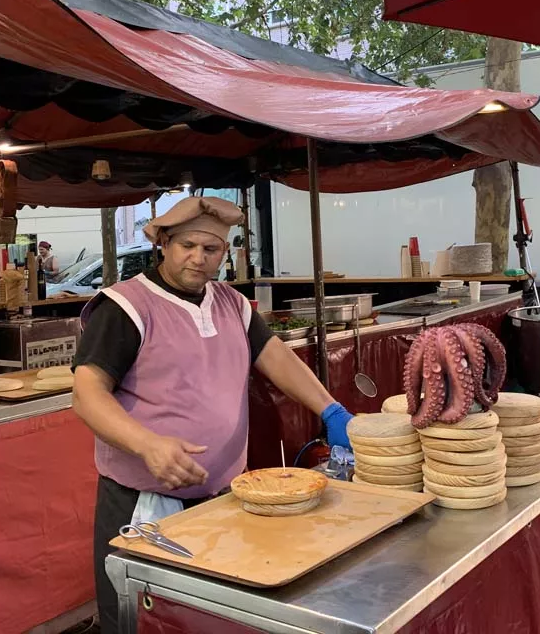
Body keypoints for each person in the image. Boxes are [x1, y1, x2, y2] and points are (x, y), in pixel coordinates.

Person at [71, 196, 354, 631]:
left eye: (211, 250)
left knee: (206, 616)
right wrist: (148, 445)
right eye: (187, 245)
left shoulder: (231, 304)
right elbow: (88, 394)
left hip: (223, 495)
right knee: (141, 619)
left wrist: (331, 410)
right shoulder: (126, 307)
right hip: (143, 504)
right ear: (162, 243)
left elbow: (276, 358)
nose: (198, 259)